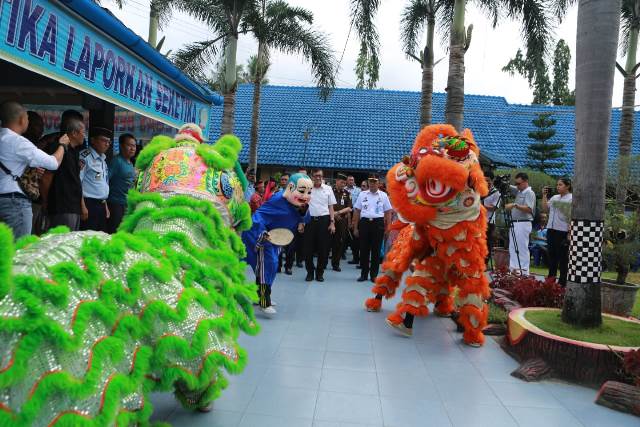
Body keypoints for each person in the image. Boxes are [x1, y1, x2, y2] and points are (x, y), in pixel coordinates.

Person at [242, 173, 312, 314]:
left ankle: (259, 296)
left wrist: (303, 212)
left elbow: (306, 219)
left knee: (268, 267)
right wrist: (262, 233)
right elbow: (259, 215)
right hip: (263, 237)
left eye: (309, 192)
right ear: (291, 187)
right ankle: (264, 301)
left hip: (277, 239)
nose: (306, 195)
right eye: (302, 191)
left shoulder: (299, 203)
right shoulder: (278, 199)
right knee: (267, 267)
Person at [0, 101, 67, 238]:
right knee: (18, 250)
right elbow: (53, 163)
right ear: (21, 119)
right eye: (28, 118)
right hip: (14, 203)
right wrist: (62, 146)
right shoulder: (18, 142)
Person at [41, 119, 86, 231]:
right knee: (60, 243)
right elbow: (47, 177)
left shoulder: (74, 152)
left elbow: (76, 182)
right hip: (61, 206)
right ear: (74, 133)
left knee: (70, 245)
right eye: (83, 132)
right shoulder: (59, 148)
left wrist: (82, 206)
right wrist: (45, 201)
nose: (84, 136)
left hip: (74, 207)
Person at [353, 174, 392, 282]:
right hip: (365, 223)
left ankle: (373, 275)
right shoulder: (362, 194)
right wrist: (355, 227)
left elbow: (388, 212)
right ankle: (364, 274)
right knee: (364, 250)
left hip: (378, 223)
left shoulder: (383, 195)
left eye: (375, 181)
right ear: (368, 182)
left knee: (376, 250)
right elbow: (357, 211)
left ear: (378, 183)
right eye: (370, 181)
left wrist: (388, 227)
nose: (372, 183)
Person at [304, 169, 336, 282]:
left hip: (324, 221)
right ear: (312, 176)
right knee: (308, 249)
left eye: (320, 176)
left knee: (323, 249)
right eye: (316, 176)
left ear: (323, 177)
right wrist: (300, 222)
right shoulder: (307, 188)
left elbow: (331, 207)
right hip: (309, 221)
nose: (318, 178)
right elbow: (302, 206)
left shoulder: (328, 189)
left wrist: (332, 223)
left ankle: (320, 273)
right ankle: (309, 273)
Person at [79, 127, 112, 232]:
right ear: (93, 140)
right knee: (88, 237)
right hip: (89, 204)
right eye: (103, 140)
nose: (107, 144)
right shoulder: (85, 157)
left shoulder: (102, 159)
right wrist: (82, 206)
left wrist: (105, 204)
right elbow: (78, 183)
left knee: (100, 238)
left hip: (101, 205)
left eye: (109, 142)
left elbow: (100, 183)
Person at [542, 178, 572, 285]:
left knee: (563, 257)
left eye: (560, 185)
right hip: (551, 229)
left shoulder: (571, 198)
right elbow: (545, 209)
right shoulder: (555, 197)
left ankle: (562, 282)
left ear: (567, 186)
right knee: (552, 255)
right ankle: (551, 280)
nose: (558, 187)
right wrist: (544, 195)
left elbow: (571, 216)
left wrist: (569, 232)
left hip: (562, 230)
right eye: (557, 185)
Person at [505, 172, 536, 275]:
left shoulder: (529, 192)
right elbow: (508, 187)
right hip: (515, 223)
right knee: (512, 247)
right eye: (516, 183)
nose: (517, 186)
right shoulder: (520, 190)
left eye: (519, 183)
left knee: (522, 247)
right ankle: (513, 269)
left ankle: (524, 271)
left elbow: (529, 208)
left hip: (523, 223)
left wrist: (514, 205)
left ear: (525, 182)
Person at [106, 133, 137, 233]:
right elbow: (105, 179)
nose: (132, 149)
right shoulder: (116, 161)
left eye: (134, 146)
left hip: (127, 205)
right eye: (129, 145)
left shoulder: (131, 163)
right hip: (115, 205)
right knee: (115, 233)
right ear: (121, 146)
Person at [331, 173, 352, 271]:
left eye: (344, 182)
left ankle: (336, 264)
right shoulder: (330, 191)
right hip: (329, 220)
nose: (343, 184)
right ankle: (324, 262)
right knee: (326, 242)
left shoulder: (347, 194)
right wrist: (333, 214)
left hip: (341, 221)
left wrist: (338, 212)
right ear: (336, 181)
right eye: (341, 182)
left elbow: (349, 208)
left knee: (338, 243)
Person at [482, 171, 500, 263]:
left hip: (489, 221)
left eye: (488, 180)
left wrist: (482, 205)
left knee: (487, 242)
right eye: (485, 180)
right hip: (479, 220)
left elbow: (494, 207)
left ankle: (485, 262)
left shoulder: (496, 193)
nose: (486, 182)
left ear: (492, 180)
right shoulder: (480, 190)